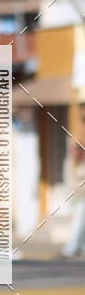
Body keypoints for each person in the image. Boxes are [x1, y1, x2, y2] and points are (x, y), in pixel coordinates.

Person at [63, 103, 85, 258]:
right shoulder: (74, 161)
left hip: (79, 192)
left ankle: (77, 247)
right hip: (79, 192)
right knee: (79, 220)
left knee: (81, 221)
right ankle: (72, 248)